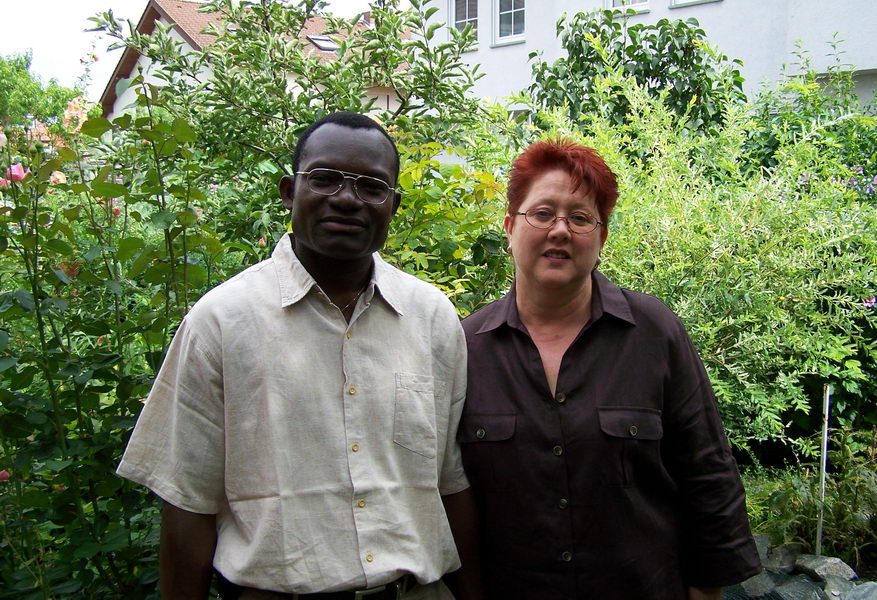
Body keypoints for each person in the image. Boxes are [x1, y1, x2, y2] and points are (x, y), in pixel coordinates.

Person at [117, 112, 482, 600]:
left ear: (393, 205)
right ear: (290, 192)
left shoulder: (433, 319)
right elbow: (187, 503)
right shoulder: (223, 323)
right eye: (325, 179)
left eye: (371, 186)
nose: (347, 199)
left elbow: (450, 484)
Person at [458, 139, 761, 599]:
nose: (559, 230)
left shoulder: (653, 333)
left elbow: (707, 468)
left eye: (580, 218)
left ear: (600, 239)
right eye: (542, 213)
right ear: (509, 227)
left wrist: (707, 588)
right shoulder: (464, 347)